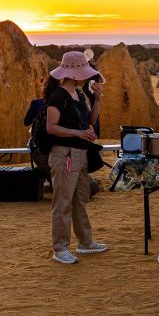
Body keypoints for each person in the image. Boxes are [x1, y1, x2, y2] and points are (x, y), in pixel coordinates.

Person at [46, 51, 108, 264]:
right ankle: (60, 248)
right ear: (73, 73)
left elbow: (90, 120)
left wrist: (97, 99)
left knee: (80, 199)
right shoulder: (58, 96)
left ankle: (85, 242)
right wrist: (78, 133)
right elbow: (51, 127)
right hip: (64, 154)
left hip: (79, 154)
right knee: (62, 202)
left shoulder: (80, 94)